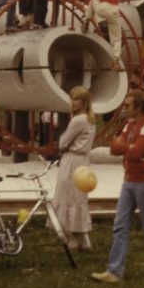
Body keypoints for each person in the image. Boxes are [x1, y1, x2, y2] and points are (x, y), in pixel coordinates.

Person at [91, 89, 144, 283]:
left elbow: (136, 152)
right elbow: (113, 148)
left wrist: (126, 147)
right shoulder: (130, 125)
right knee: (120, 226)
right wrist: (128, 147)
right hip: (129, 181)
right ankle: (114, 271)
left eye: (128, 105)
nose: (124, 108)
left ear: (139, 107)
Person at [53, 86, 95, 251]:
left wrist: (61, 144)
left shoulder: (78, 120)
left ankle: (74, 237)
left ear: (84, 102)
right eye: (72, 99)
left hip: (72, 160)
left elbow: (63, 142)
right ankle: (83, 239)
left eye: (76, 99)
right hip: (83, 160)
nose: (72, 102)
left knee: (68, 197)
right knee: (78, 199)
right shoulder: (90, 119)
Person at [76, 0, 124, 70]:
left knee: (93, 0)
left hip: (103, 9)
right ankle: (116, 61)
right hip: (115, 11)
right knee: (117, 38)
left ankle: (86, 21)